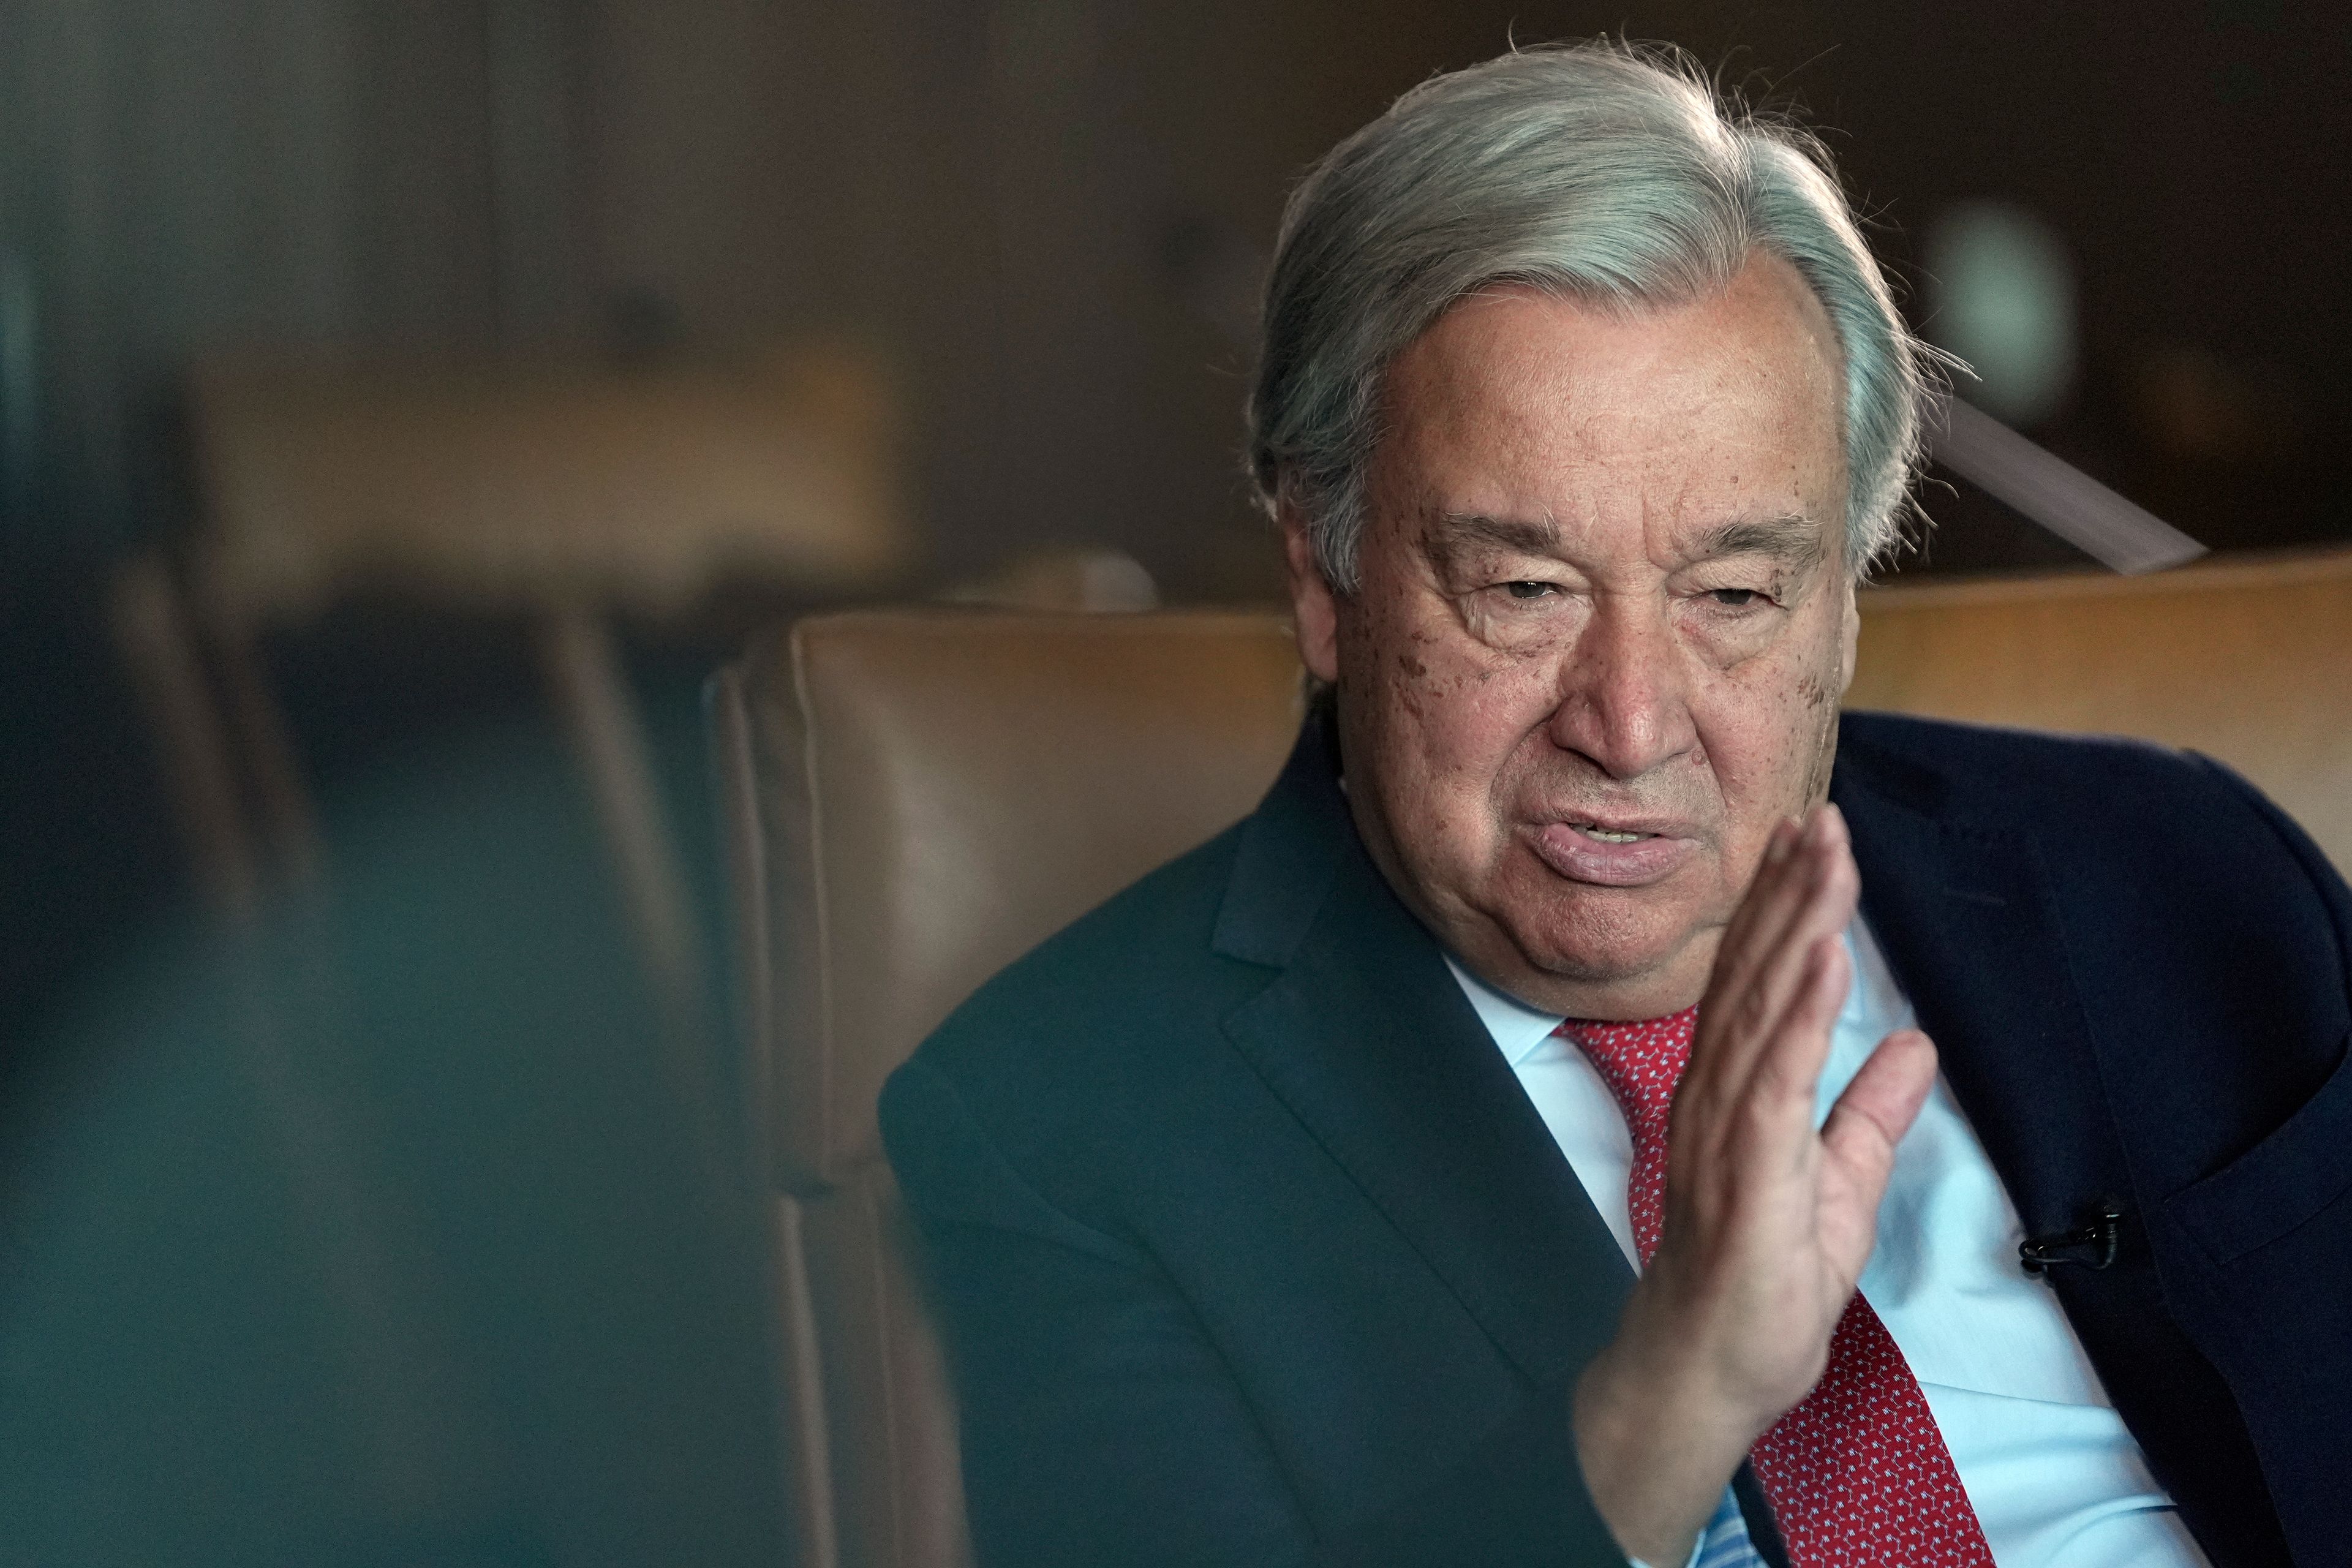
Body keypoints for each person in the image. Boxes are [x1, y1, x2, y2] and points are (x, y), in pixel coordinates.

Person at [880, 42, 2348, 1568]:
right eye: (1523, 589)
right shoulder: (1065, 1125)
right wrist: (1678, 1388)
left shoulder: (2185, 872)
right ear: (1326, 578)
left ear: (1842, 599)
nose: (1630, 723)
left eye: (1731, 592)